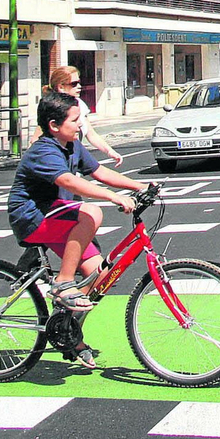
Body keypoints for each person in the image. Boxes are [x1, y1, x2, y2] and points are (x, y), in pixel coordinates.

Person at [8, 92, 144, 311]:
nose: (81, 125)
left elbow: (99, 171)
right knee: (91, 212)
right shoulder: (44, 150)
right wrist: (113, 196)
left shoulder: (72, 145)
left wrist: (140, 187)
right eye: (74, 120)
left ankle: (67, 330)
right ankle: (64, 281)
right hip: (31, 217)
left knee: (100, 275)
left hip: (56, 217)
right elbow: (69, 181)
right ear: (54, 125)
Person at [47, 65, 123, 165]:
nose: (79, 86)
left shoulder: (80, 104)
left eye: (79, 82)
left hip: (73, 161)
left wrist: (109, 151)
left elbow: (91, 134)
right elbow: (37, 138)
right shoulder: (52, 107)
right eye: (74, 84)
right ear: (61, 87)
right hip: (57, 162)